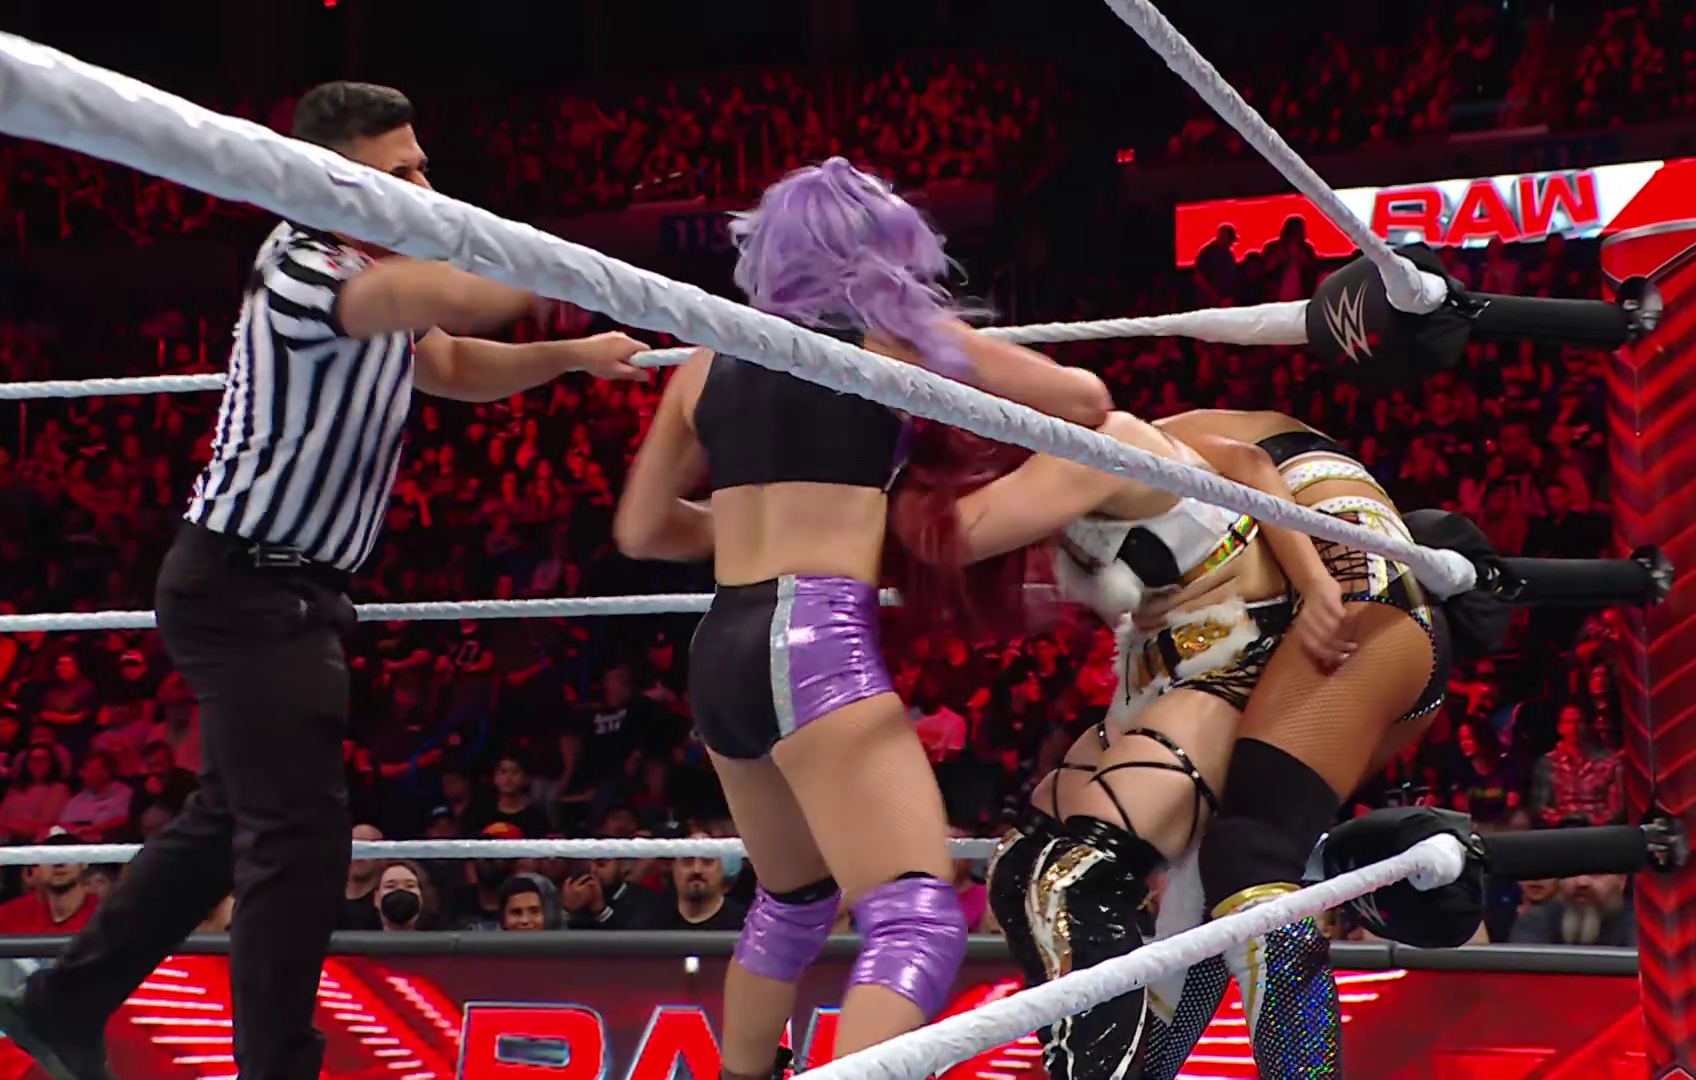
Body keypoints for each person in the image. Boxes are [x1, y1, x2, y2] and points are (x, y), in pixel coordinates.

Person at [0, 80, 650, 1080]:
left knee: (231, 822)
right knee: (298, 836)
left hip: (279, 590)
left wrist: (572, 355)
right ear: (334, 184)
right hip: (246, 588)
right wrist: (534, 266)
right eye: (401, 174)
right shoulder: (306, 267)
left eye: (423, 167)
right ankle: (273, 1064)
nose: (424, 187)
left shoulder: (374, 272)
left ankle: (63, 1002)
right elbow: (444, 298)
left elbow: (449, 362)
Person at [614, 156, 1110, 1079]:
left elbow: (641, 529)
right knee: (917, 916)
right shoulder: (887, 340)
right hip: (813, 640)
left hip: (722, 641)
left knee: (792, 901)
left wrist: (762, 523)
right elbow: (1085, 403)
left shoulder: (706, 360)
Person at [894, 409, 1509, 1080]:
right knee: (1207, 883)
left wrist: (1313, 585)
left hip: (1353, 598)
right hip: (1327, 614)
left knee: (1249, 856)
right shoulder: (1130, 484)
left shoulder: (1127, 438)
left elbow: (1249, 468)